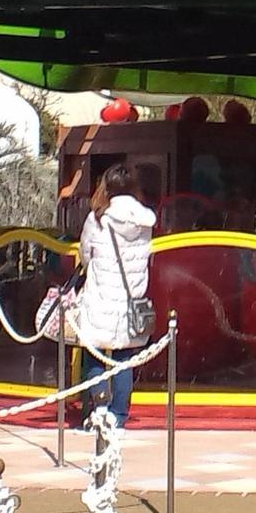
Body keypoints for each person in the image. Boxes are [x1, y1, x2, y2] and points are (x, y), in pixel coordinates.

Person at [75, 164, 156, 427]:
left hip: (100, 296)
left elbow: (86, 255)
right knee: (124, 360)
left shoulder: (97, 218)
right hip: (130, 298)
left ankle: (97, 410)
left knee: (96, 355)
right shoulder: (144, 221)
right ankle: (119, 415)